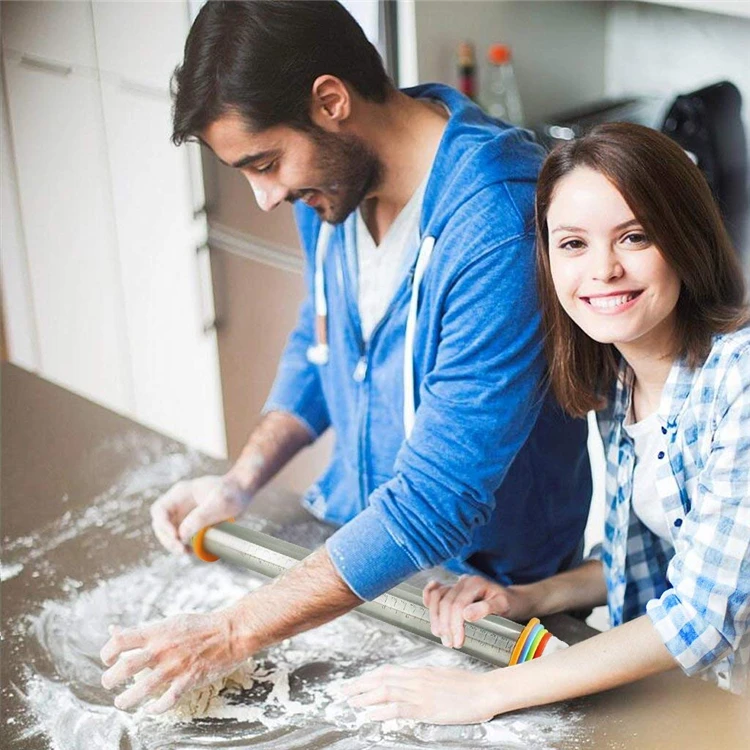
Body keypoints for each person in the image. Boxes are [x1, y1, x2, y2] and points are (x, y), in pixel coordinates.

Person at [99, 0, 591, 713]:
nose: (266, 198)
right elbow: (322, 337)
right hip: (362, 564)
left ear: (331, 101)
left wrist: (230, 631)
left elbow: (435, 503)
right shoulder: (333, 185)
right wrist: (240, 481)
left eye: (265, 163)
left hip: (483, 606)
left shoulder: (497, 221)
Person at [343, 122, 750, 723]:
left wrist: (486, 695)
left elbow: (700, 618)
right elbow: (653, 563)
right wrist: (528, 598)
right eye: (573, 244)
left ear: (686, 240)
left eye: (634, 237)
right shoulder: (623, 377)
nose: (603, 269)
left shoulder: (739, 385)